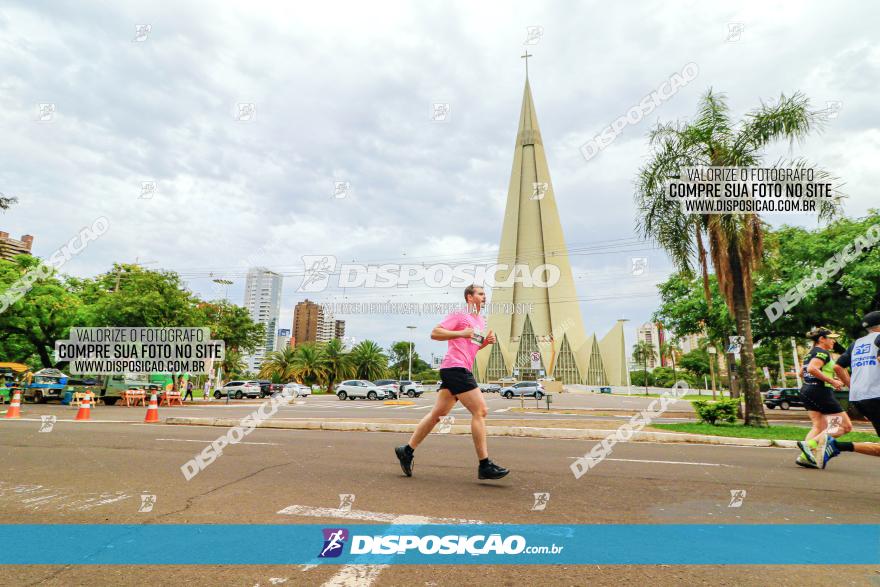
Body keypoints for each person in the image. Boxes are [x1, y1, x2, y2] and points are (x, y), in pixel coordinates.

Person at [395, 284, 509, 480]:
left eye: (484, 294)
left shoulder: (480, 321)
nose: (484, 297)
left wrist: (484, 344)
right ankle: (484, 465)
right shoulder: (460, 315)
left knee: (437, 415)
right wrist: (461, 333)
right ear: (469, 297)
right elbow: (435, 333)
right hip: (455, 368)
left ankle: (407, 450)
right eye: (480, 294)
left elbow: (470, 348)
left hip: (458, 368)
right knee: (480, 411)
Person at [817, 311, 880, 467]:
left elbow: (838, 367)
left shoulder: (857, 343)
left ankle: (835, 446)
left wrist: (853, 386)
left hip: (860, 397)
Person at [795, 328, 852, 469]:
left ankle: (805, 457)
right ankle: (809, 445)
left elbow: (801, 373)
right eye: (831, 338)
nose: (834, 341)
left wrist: (828, 378)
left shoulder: (810, 354)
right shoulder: (822, 352)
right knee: (844, 426)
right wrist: (831, 381)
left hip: (807, 390)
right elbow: (812, 369)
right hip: (821, 391)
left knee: (819, 426)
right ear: (821, 339)